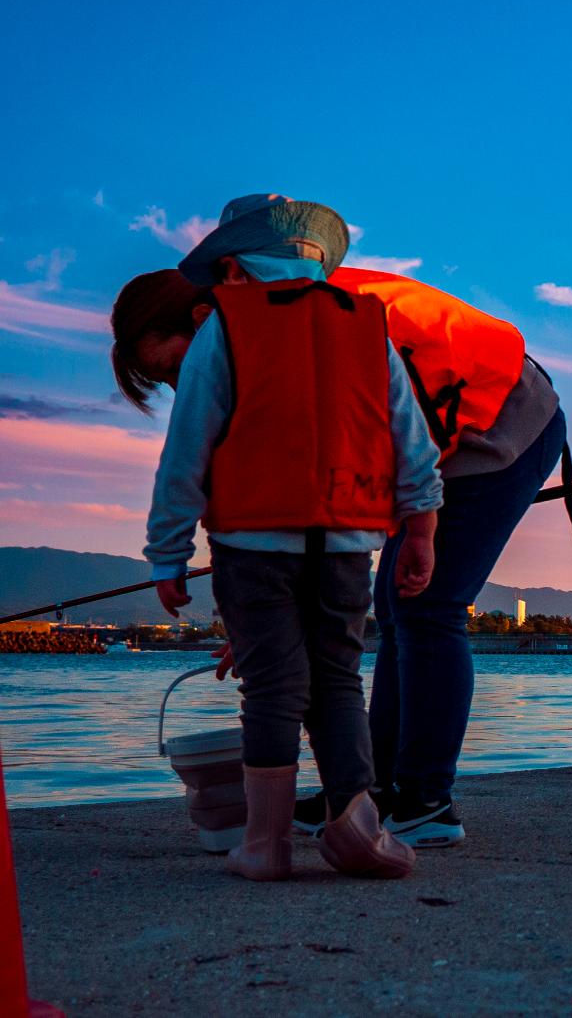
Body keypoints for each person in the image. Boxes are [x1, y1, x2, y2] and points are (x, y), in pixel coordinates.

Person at [114, 198, 572, 850]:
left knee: (428, 605)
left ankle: (422, 800)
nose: (181, 385)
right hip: (433, 445)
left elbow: (374, 457)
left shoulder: (321, 323)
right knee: (397, 609)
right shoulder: (270, 338)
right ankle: (368, 794)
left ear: (203, 316)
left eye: (172, 368)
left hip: (502, 422)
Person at [136, 194, 441, 882]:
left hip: (253, 544)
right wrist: (421, 528)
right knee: (338, 679)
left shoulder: (226, 325)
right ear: (317, 263)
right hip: (346, 543)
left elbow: (186, 450)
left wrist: (167, 551)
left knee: (272, 685)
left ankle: (266, 842)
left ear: (233, 268)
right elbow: (413, 441)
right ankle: (356, 823)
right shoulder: (365, 325)